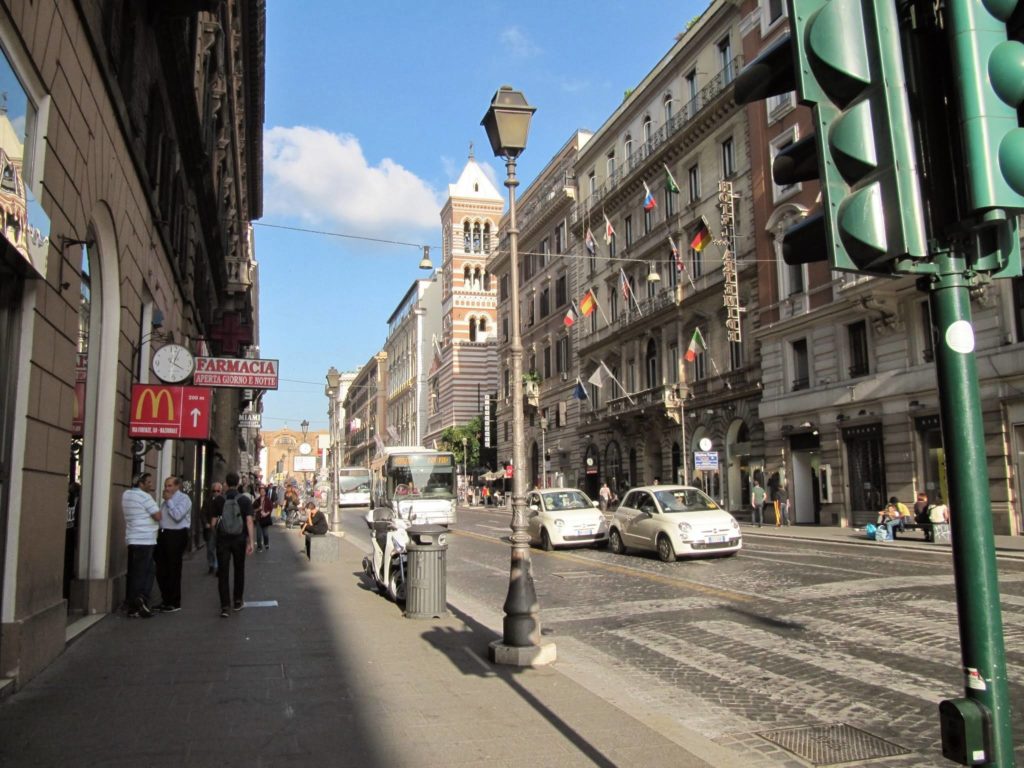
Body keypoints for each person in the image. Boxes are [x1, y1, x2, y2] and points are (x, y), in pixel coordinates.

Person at [212, 471, 255, 617]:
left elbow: (213, 523)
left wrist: (217, 533)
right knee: (239, 570)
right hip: (239, 539)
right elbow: (249, 521)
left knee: (223, 572)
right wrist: (251, 541)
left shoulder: (219, 500)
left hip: (223, 540)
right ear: (238, 483)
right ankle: (237, 601)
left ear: (226, 483)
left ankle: (225, 606)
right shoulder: (244, 500)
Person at [122, 472, 161, 618]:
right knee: (142, 572)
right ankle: (137, 602)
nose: (151, 485)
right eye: (149, 482)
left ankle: (139, 601)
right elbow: (158, 516)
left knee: (146, 569)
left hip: (132, 538)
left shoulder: (126, 495)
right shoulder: (145, 497)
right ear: (141, 483)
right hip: (145, 539)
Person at [153, 475, 191, 613]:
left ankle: (174, 601)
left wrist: (169, 501)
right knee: (161, 568)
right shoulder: (165, 501)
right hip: (163, 534)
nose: (167, 489)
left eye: (169, 486)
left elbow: (177, 516)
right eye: (166, 485)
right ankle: (166, 599)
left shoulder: (184, 499)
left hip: (176, 534)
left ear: (177, 486)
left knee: (173, 568)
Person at [199, 482, 223, 575]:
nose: (216, 492)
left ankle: (217, 567)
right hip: (210, 528)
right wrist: (206, 523)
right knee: (210, 548)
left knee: (219, 549)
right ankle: (211, 564)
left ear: (221, 491)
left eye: (218, 491)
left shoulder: (223, 500)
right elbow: (203, 513)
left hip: (220, 529)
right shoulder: (207, 500)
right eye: (214, 491)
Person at [255, 486, 273, 551]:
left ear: (265, 492)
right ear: (259, 492)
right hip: (259, 519)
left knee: (265, 534)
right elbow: (253, 508)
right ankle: (259, 546)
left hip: (265, 519)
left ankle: (266, 543)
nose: (262, 492)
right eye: (261, 491)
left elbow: (270, 508)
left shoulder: (268, 500)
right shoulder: (257, 500)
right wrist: (258, 509)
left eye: (263, 491)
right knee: (258, 534)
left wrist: (266, 514)